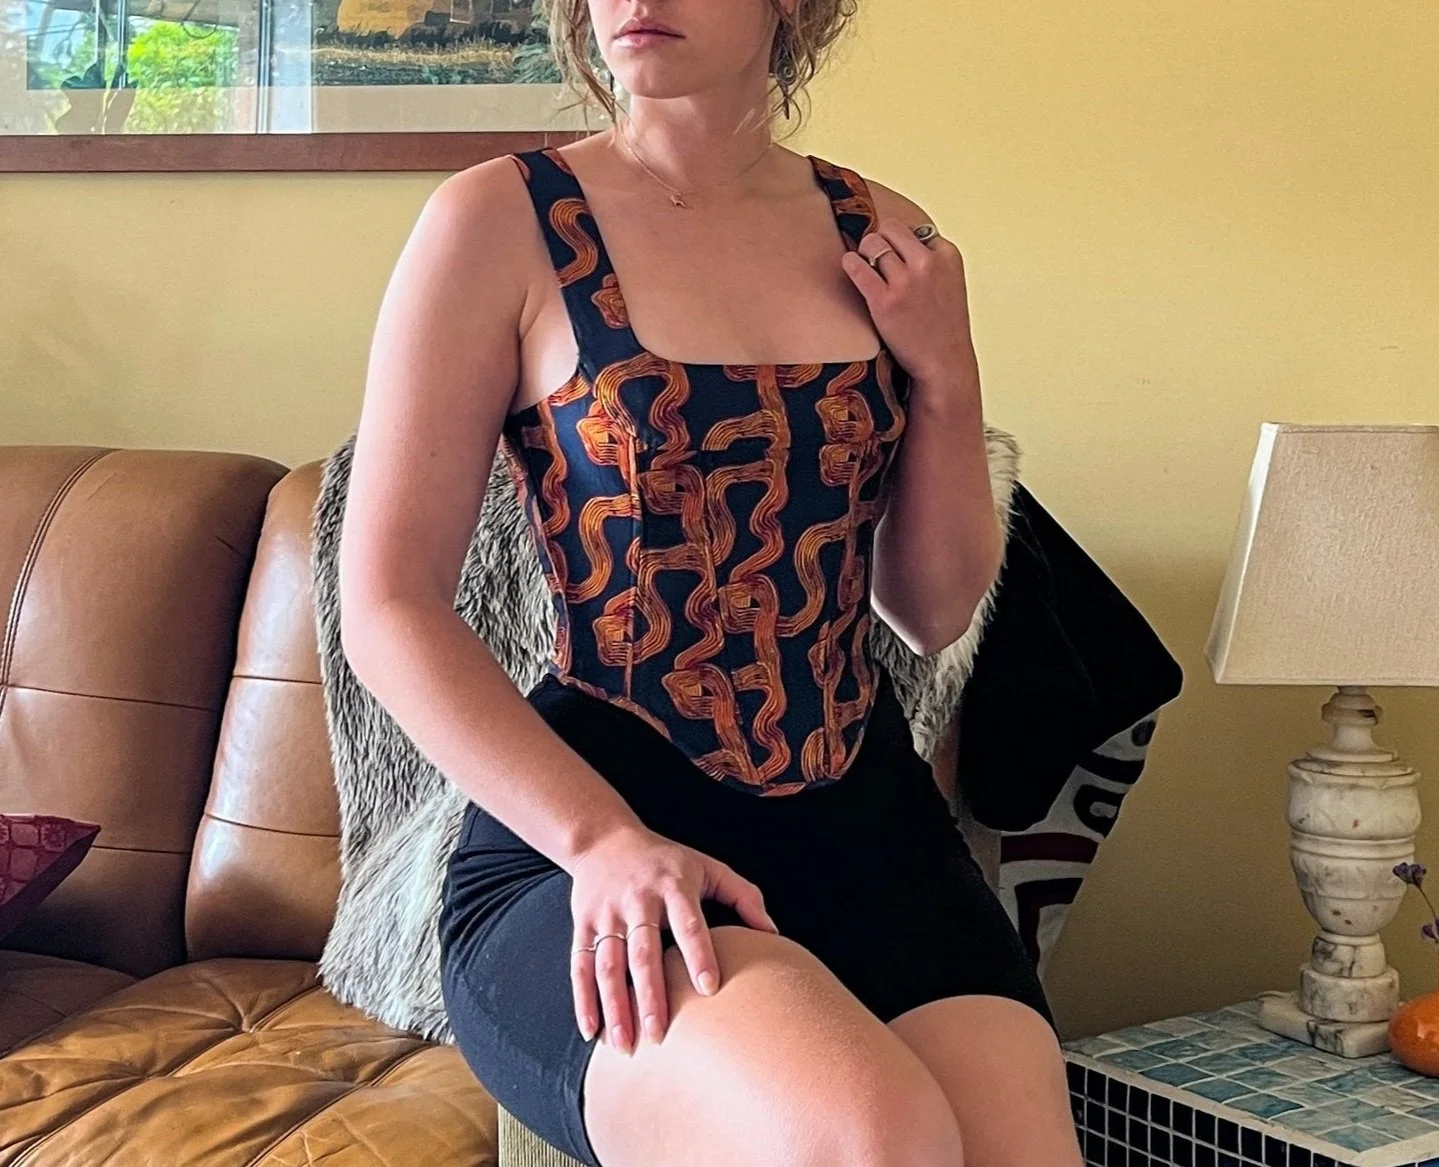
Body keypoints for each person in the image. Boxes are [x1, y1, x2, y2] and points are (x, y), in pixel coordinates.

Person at [337, 1, 1082, 1164]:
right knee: (868, 1134)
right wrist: (601, 844)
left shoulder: (884, 235)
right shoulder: (498, 219)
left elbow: (930, 610)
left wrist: (947, 371)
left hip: (868, 830)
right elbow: (388, 605)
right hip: (594, 842)